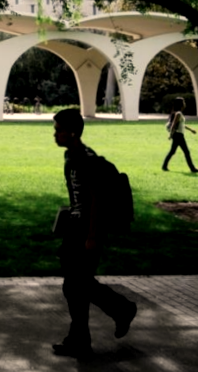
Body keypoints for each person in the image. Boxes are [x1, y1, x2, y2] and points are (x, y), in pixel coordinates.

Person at [51, 109, 137, 358]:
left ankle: (122, 310)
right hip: (75, 228)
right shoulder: (72, 156)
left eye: (59, 130)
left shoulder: (85, 159)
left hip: (88, 232)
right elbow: (79, 198)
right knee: (74, 286)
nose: (55, 135)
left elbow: (96, 201)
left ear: (73, 132)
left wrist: (91, 236)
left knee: (78, 284)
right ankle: (82, 339)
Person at [163, 97, 198, 173]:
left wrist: (191, 130)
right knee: (186, 152)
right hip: (178, 135)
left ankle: (164, 166)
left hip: (178, 135)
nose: (184, 103)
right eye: (183, 102)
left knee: (172, 151)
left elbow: (182, 124)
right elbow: (174, 125)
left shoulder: (179, 113)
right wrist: (171, 134)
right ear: (180, 104)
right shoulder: (178, 113)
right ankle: (193, 169)